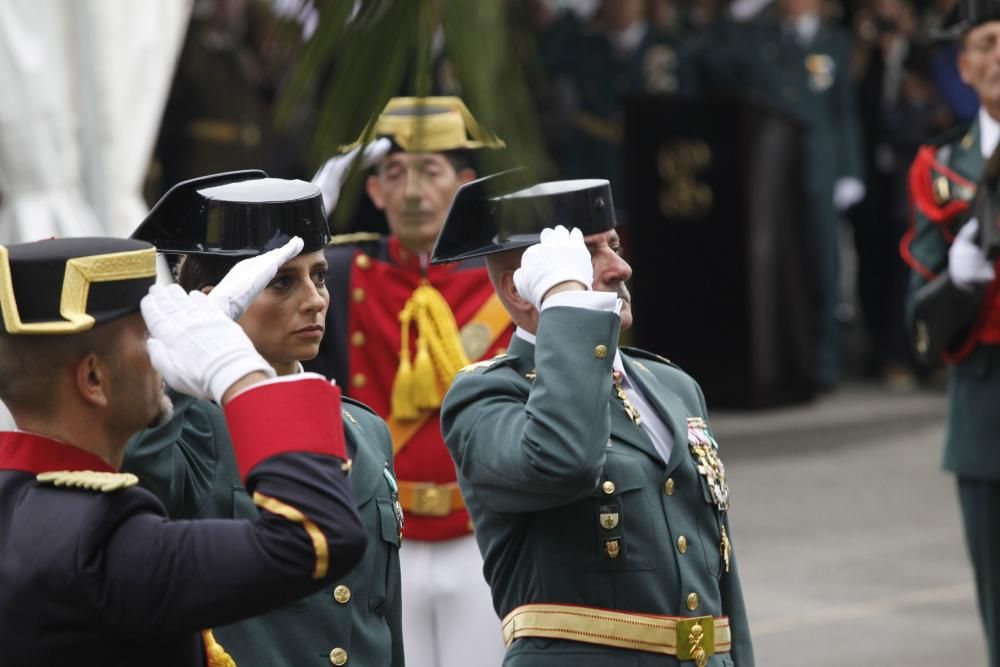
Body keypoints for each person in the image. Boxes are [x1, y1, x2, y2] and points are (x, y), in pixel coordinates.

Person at [0, 236, 366, 665]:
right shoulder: (104, 545)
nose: (164, 351)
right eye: (146, 337)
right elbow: (319, 535)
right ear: (94, 379)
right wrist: (239, 372)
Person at [435, 173, 754, 666]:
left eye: (615, 245)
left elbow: (722, 586)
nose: (620, 267)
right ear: (521, 292)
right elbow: (563, 461)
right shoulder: (488, 397)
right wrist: (568, 305)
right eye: (588, 255)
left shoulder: (672, 386)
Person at [126, 171, 402, 667]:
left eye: (319, 276)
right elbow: (139, 461)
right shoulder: (193, 428)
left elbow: (380, 617)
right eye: (281, 282)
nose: (315, 299)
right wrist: (197, 332)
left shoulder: (366, 429)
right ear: (218, 299)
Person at [308, 96, 511, 667]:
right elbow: (273, 289)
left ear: (465, 184)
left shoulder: (506, 279)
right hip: (382, 535)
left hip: (481, 535)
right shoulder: (344, 273)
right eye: (394, 175)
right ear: (373, 193)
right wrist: (306, 215)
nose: (413, 193)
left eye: (430, 172)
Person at [687, 0, 865, 390]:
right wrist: (732, 21)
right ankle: (781, 361)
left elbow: (844, 109)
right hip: (769, 168)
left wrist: (849, 170)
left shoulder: (833, 40)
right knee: (774, 263)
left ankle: (825, 362)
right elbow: (713, 68)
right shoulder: (758, 38)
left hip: (819, 164)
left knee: (824, 263)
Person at [901, 0, 1000, 663]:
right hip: (985, 406)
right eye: (988, 44)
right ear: (964, 67)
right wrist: (957, 282)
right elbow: (920, 320)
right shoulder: (942, 168)